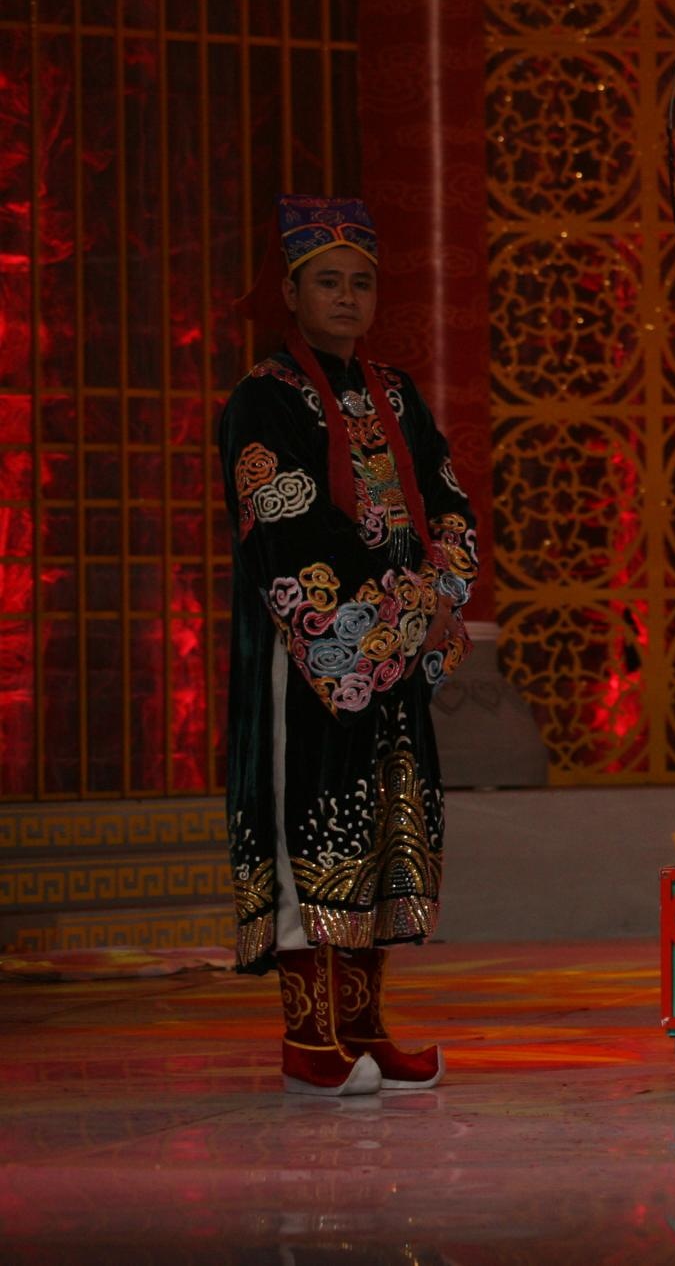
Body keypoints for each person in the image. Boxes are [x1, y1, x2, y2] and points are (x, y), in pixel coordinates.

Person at [221, 195, 479, 1096]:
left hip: (392, 651)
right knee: (311, 825)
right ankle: (309, 1037)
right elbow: (287, 524)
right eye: (326, 281)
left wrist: (438, 591)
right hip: (309, 656)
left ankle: (364, 1026)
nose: (345, 297)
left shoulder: (395, 392)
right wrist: (396, 608)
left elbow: (446, 498)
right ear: (291, 293)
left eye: (360, 282)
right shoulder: (262, 398)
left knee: (383, 831)